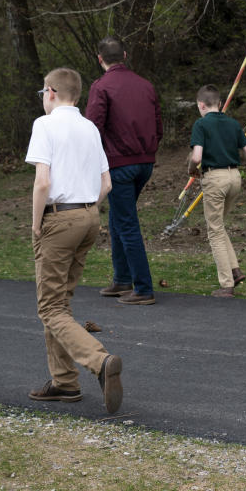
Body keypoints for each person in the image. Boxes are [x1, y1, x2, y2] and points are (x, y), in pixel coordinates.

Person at [25, 68, 124, 414]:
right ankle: (64, 382)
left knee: (49, 306)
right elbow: (107, 183)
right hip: (89, 217)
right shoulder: (90, 127)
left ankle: (100, 361)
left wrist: (37, 224)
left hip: (59, 217)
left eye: (42, 93)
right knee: (60, 304)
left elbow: (41, 183)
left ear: (50, 92)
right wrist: (86, 209)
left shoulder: (45, 125)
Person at [85, 37, 164, 305]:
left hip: (118, 164)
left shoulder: (101, 87)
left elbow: (92, 128)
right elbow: (158, 125)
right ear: (125, 55)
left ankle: (142, 287)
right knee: (119, 218)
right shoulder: (146, 85)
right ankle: (121, 279)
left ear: (100, 58)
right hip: (145, 162)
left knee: (127, 223)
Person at [188, 85, 246, 297]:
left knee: (214, 231)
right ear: (219, 104)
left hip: (215, 179)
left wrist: (191, 170)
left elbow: (196, 157)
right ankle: (235, 270)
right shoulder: (233, 123)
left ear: (201, 105)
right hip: (235, 178)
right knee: (219, 226)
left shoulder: (201, 124)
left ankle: (226, 285)